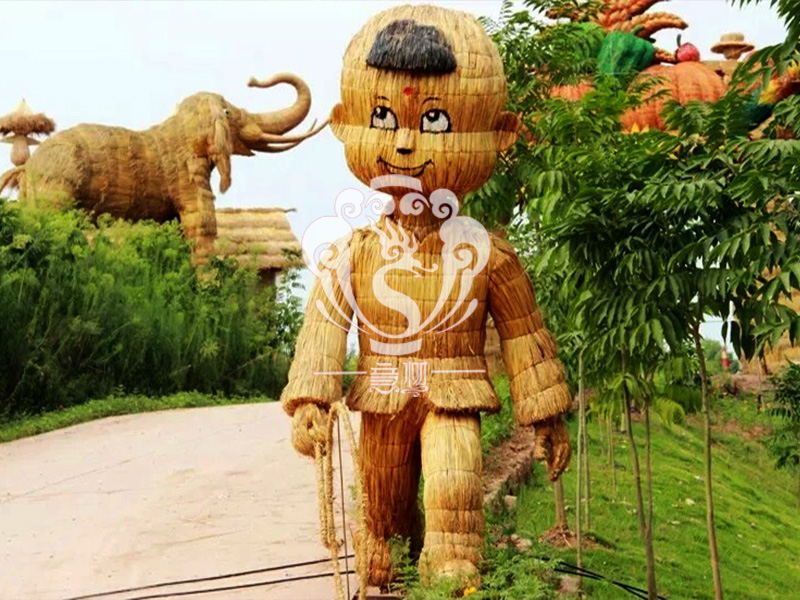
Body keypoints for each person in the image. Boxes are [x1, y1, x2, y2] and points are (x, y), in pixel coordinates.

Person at [282, 4, 572, 589]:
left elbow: (525, 335)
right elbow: (324, 327)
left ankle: (451, 568)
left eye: (436, 121)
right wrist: (311, 397)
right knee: (383, 517)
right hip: (384, 392)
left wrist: (545, 412)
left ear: (499, 135)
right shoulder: (354, 252)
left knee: (454, 486)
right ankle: (392, 540)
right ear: (345, 124)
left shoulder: (488, 255)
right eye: (383, 117)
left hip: (453, 390)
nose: (406, 142)